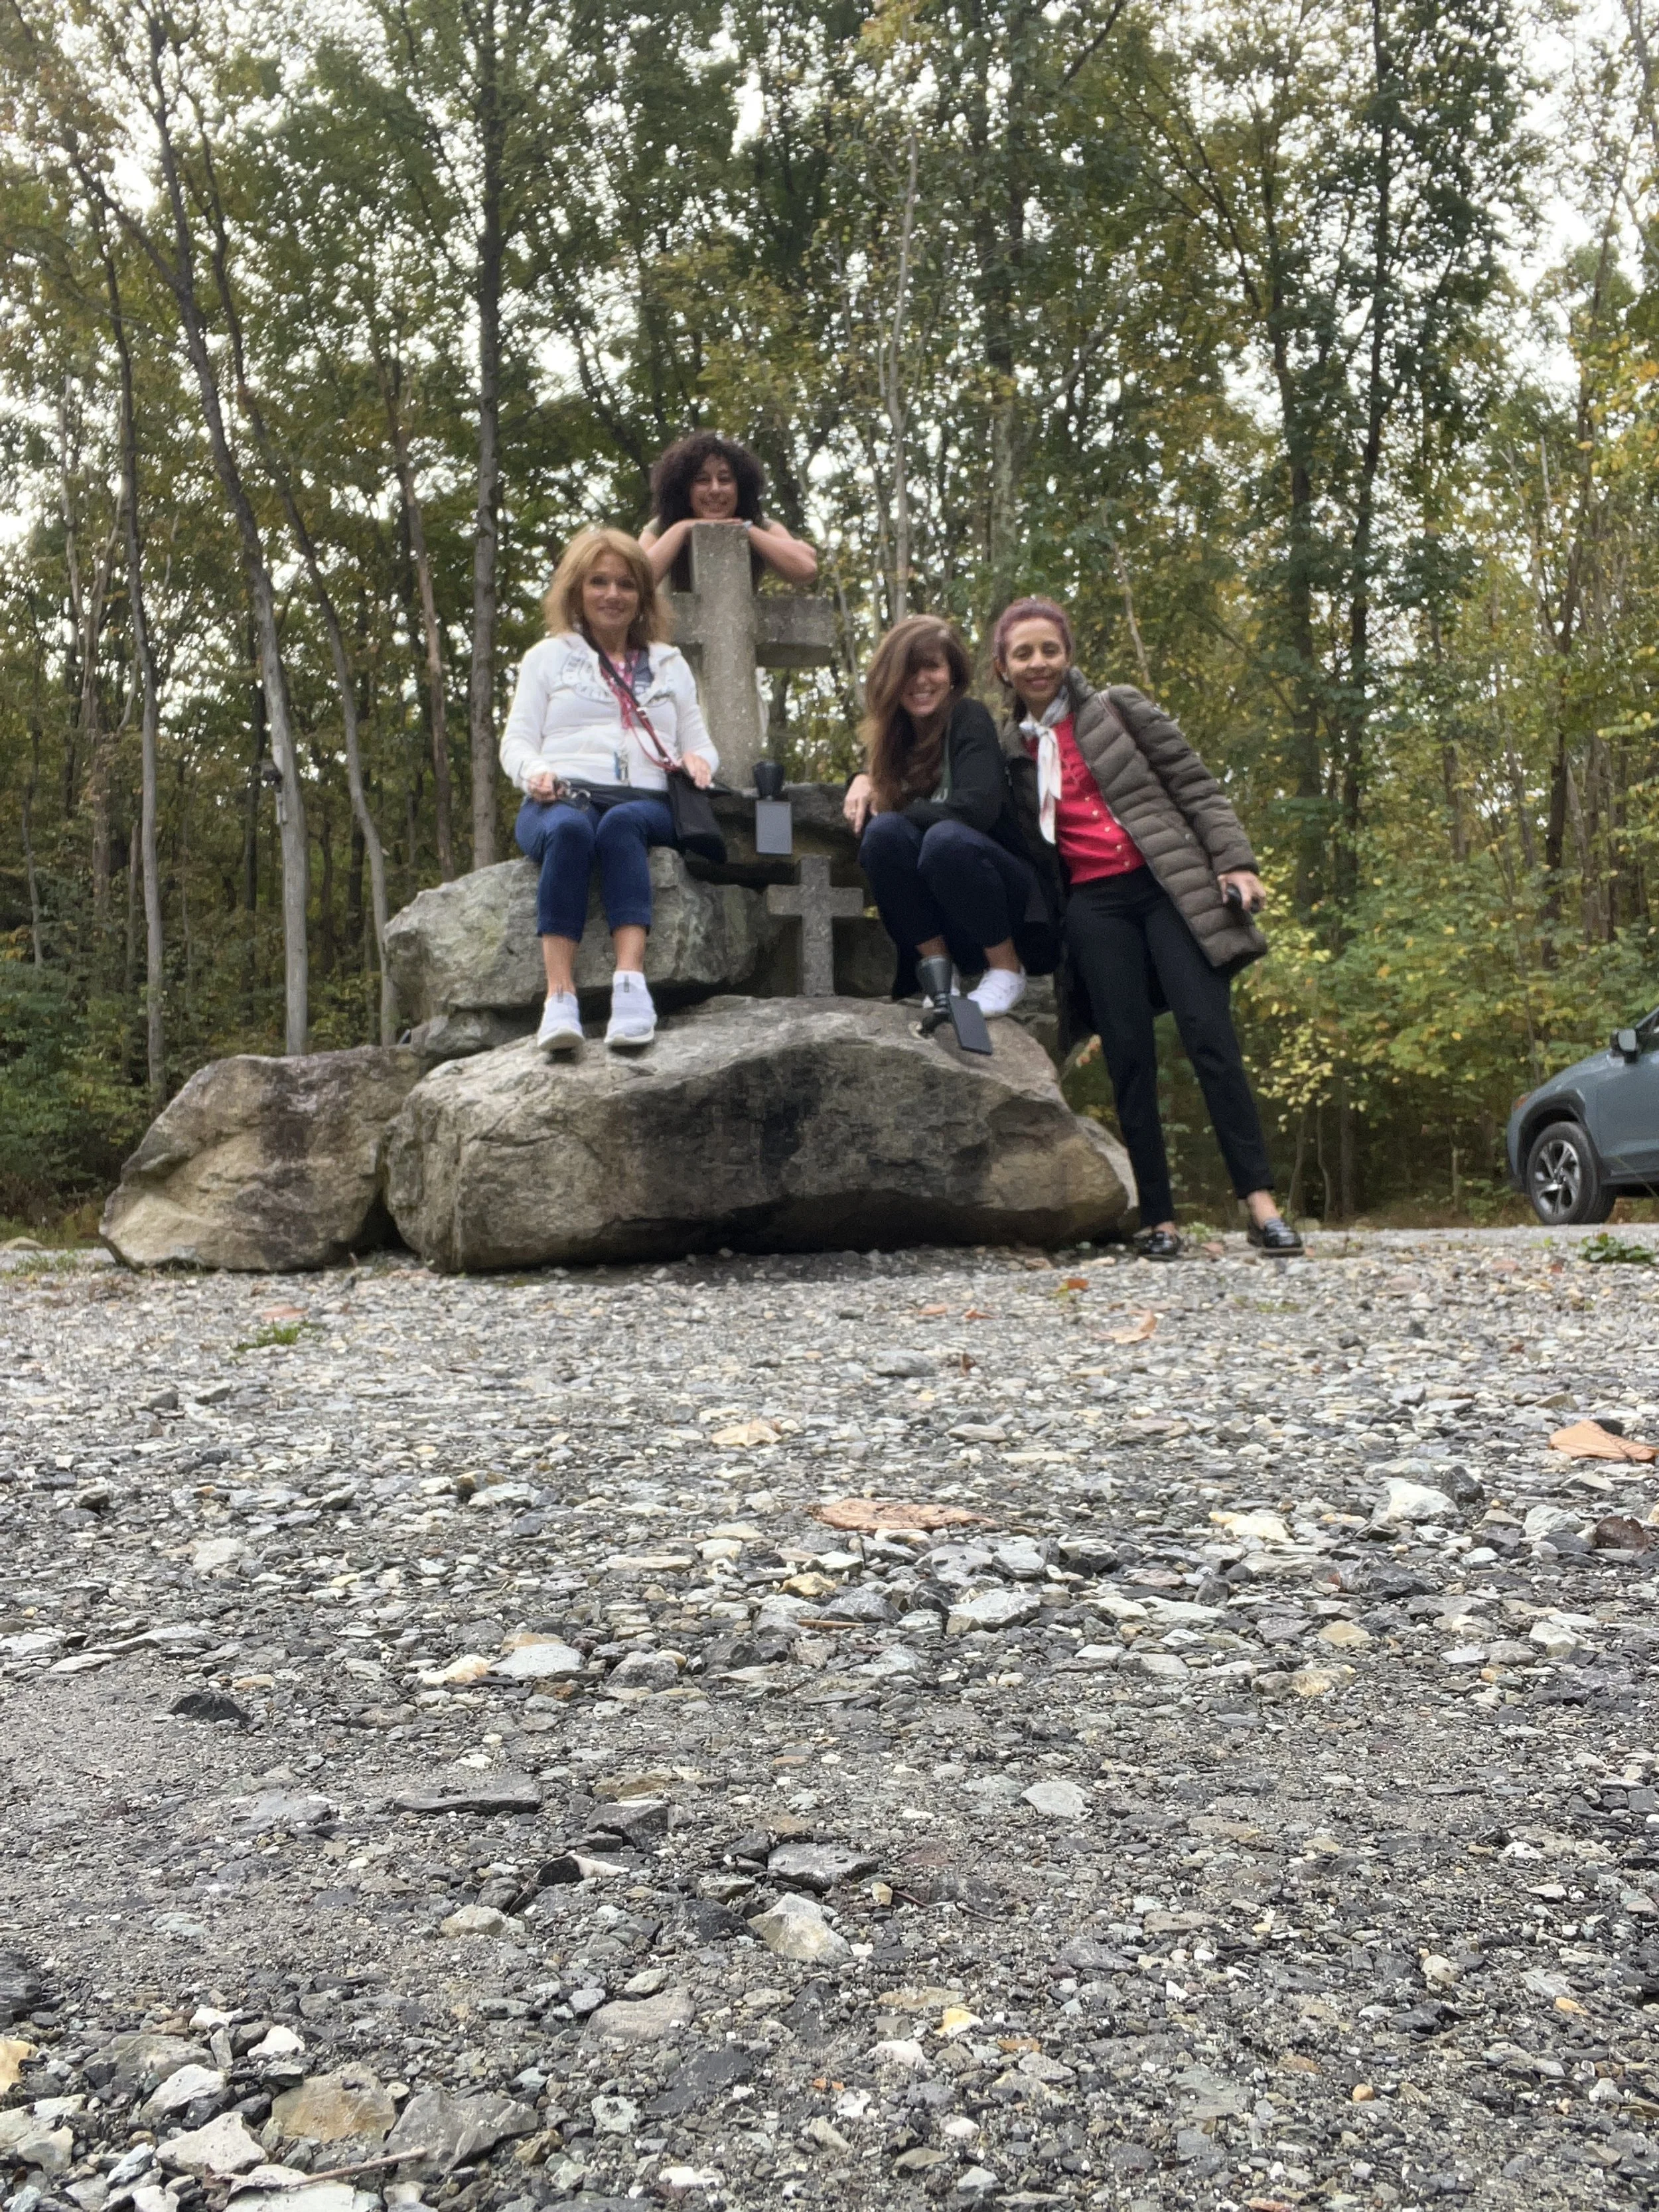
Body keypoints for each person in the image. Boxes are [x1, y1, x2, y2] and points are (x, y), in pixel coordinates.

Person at [991, 594, 1301, 1258]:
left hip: (1169, 888)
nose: (1038, 662)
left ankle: (1261, 1206)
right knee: (1129, 1056)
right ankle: (1157, 1219)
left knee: (1210, 1038)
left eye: (1049, 648)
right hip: (1094, 909)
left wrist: (1236, 863)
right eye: (1023, 653)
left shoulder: (1119, 710)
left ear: (1067, 655)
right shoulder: (1008, 754)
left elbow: (1196, 786)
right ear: (1003, 668)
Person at [499, 528, 717, 1055]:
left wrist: (697, 763)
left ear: (643, 595)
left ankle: (630, 987)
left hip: (644, 802)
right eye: (598, 582)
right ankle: (559, 998)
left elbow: (703, 748)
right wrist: (535, 772)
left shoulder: (670, 663)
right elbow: (517, 740)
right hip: (562, 797)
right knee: (571, 831)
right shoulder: (547, 658)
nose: (612, 594)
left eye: (625, 584)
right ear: (576, 590)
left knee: (621, 827)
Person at [844, 615, 1058, 1015]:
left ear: (953, 674)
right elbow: (886, 830)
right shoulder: (893, 742)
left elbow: (975, 811)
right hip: (945, 916)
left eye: (932, 666)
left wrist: (899, 808)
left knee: (945, 839)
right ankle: (940, 971)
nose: (921, 680)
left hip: (1001, 899)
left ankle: (1007, 971)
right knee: (883, 836)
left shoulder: (969, 718)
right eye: (909, 669)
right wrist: (862, 778)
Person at [640, 431, 818, 589]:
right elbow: (637, 580)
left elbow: (806, 569)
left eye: (725, 480)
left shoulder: (759, 524)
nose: (715, 490)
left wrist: (745, 530)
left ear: (740, 488)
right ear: (685, 491)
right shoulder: (661, 527)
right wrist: (682, 528)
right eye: (702, 480)